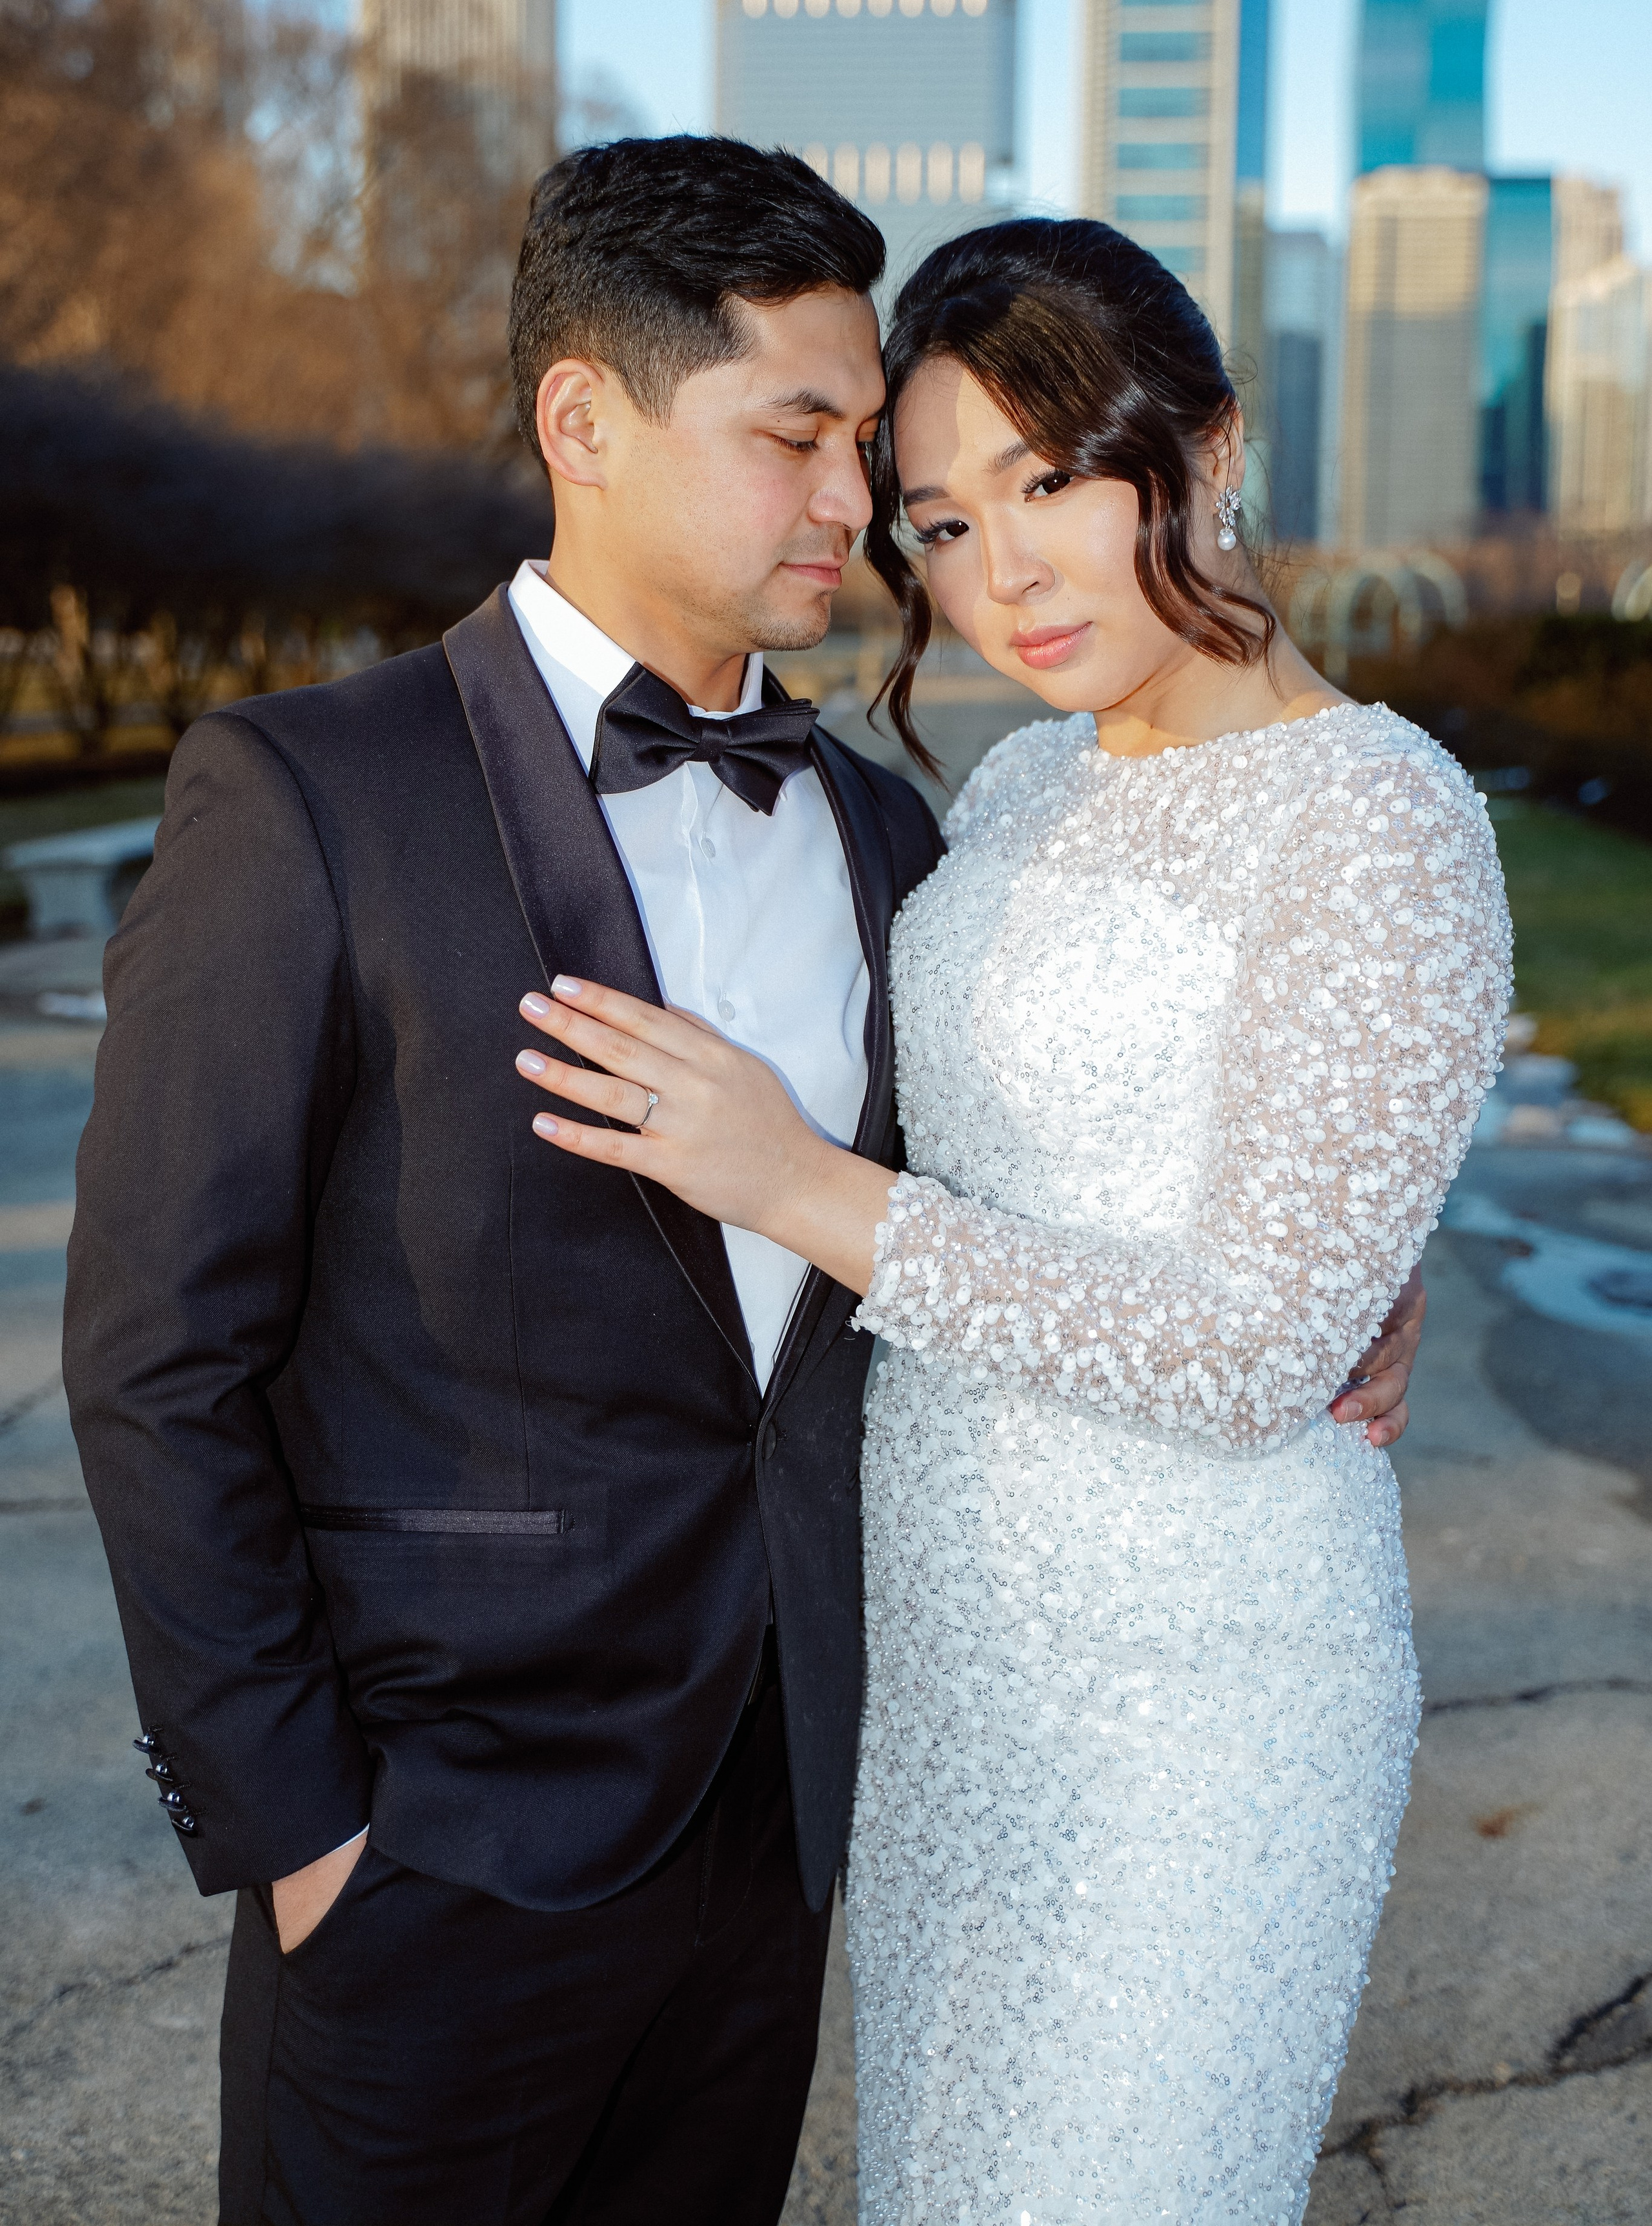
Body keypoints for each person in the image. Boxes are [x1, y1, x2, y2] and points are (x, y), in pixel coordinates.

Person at [65, 150, 1417, 2226]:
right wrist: (304, 1835)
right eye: (804, 441)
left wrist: (1344, 1274)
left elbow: (1084, 1153)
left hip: (797, 1826)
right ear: (583, 423)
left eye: (873, 456)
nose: (859, 516)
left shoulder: (900, 833)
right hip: (437, 1856)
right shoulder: (308, 798)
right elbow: (160, 1357)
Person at [507, 216, 1506, 2225]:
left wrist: (799, 1181)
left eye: (1051, 483)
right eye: (942, 525)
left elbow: (1244, 1356)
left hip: (1201, 1688)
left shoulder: (1381, 814)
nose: (1002, 575)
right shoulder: (1028, 793)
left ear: (1206, 449)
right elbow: (1045, 1166)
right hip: (950, 1672)